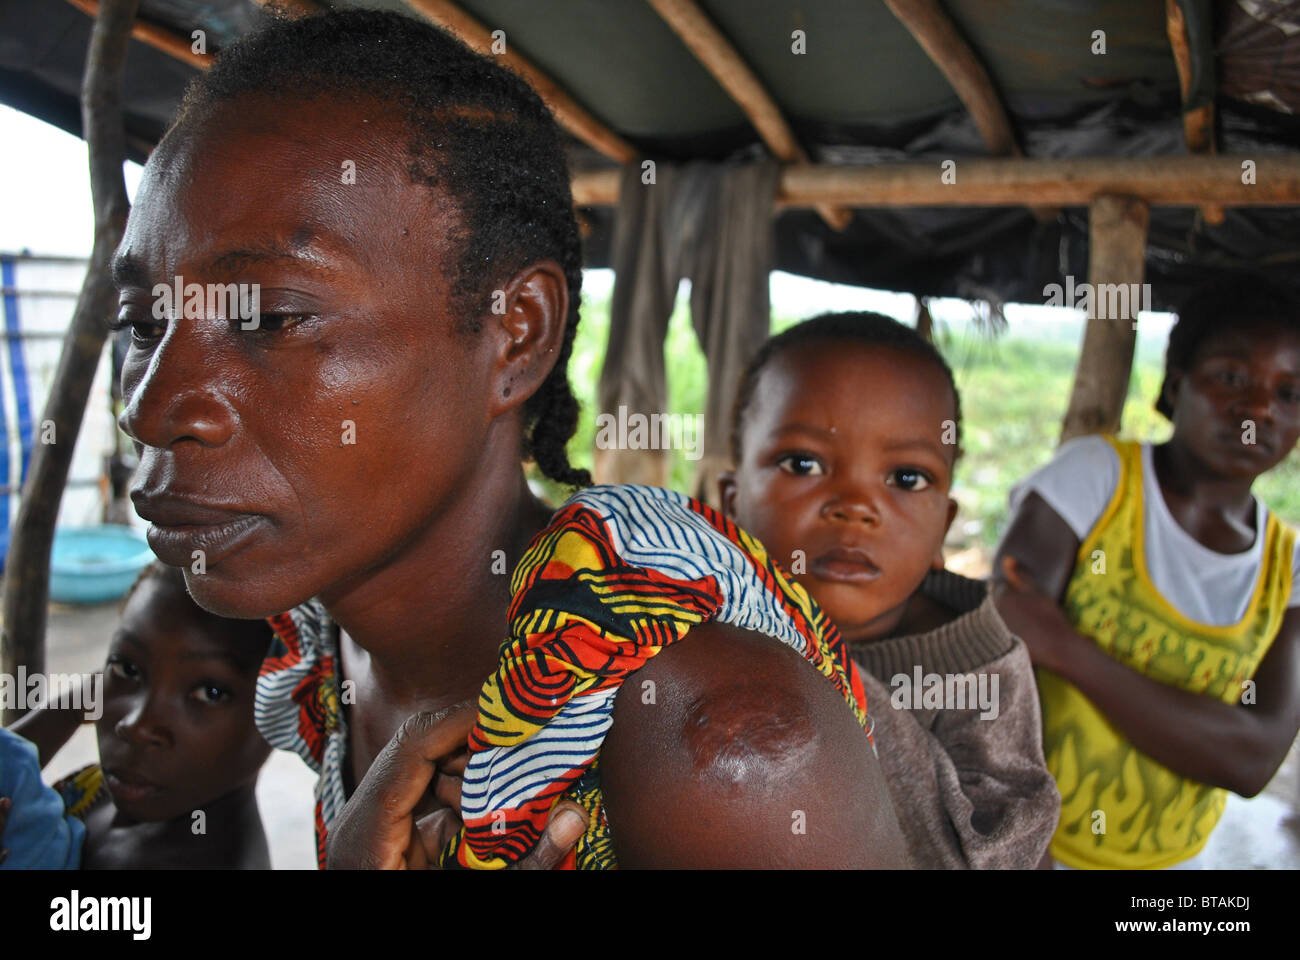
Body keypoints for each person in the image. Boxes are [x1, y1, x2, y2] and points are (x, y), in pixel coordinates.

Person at [113, 8, 905, 869]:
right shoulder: (315, 645)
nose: (154, 407)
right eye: (140, 322)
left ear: (516, 334)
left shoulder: (715, 737)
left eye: (270, 317)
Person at [715, 312, 1059, 868]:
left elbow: (1003, 855)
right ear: (731, 502)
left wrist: (820, 675)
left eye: (905, 478)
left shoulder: (979, 667)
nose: (855, 506)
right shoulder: (688, 619)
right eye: (803, 463)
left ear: (942, 529)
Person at [993, 275, 1300, 869]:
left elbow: (1251, 760)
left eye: (1290, 394)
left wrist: (1067, 646)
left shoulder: (1287, 568)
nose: (1259, 407)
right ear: (1176, 382)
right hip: (1029, 849)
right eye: (1232, 377)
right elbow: (1003, 645)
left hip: (1174, 864)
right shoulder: (1096, 479)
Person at [0, 561, 272, 868]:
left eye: (210, 693)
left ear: (281, 712)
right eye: (128, 668)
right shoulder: (137, 787)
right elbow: (9, 765)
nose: (136, 725)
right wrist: (70, 710)